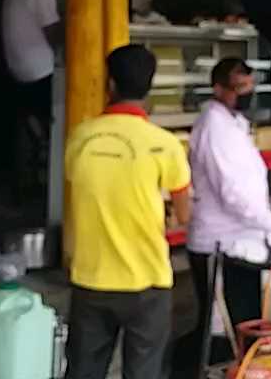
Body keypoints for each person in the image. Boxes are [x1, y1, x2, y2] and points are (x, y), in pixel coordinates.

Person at [65, 45, 192, 379]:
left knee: (83, 372)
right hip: (147, 283)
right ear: (149, 88)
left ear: (110, 85)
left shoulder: (79, 138)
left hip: (91, 280)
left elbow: (84, 187)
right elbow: (184, 215)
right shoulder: (166, 145)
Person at [183, 58, 271, 366]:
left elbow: (242, 183)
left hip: (242, 241)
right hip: (221, 244)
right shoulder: (215, 128)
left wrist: (268, 207)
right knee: (223, 331)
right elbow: (233, 194)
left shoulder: (233, 123)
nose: (246, 94)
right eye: (239, 87)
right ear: (218, 88)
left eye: (250, 86)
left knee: (243, 326)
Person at [1, 0, 63, 194]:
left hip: (20, 73)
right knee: (56, 131)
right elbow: (54, 34)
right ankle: (52, 187)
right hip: (42, 72)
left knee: (34, 131)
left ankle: (29, 182)